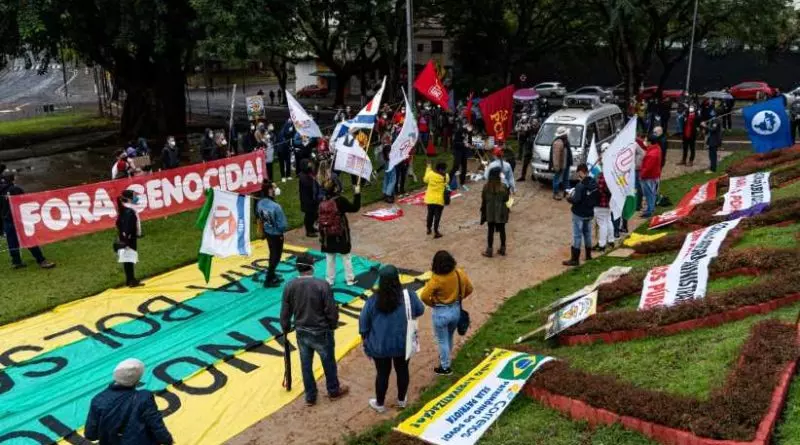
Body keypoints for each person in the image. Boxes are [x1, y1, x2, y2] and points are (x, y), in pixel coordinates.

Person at [281, 252, 350, 406]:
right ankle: (333, 390)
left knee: (306, 365)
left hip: (302, 331)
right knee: (328, 362)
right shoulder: (322, 285)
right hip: (321, 331)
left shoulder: (290, 286)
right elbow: (331, 310)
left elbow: (285, 312)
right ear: (312, 266)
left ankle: (310, 396)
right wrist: (332, 325)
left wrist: (285, 328)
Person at [359, 265, 425, 413]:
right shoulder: (409, 296)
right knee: (402, 370)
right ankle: (401, 400)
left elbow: (363, 325)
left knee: (382, 373)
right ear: (397, 278)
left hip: (380, 346)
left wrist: (366, 341)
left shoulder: (372, 300)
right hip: (403, 343)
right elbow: (420, 310)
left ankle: (380, 403)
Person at [85, 358, 173, 445]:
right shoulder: (144, 397)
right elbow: (156, 426)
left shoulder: (98, 400)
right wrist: (167, 440)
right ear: (137, 380)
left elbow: (90, 435)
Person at [418, 251, 474, 375]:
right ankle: (446, 357)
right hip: (456, 310)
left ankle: (445, 367)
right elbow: (470, 288)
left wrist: (433, 304)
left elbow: (424, 296)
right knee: (449, 336)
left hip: (441, 312)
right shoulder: (459, 273)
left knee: (442, 340)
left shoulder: (436, 279)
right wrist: (459, 298)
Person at [0, 171, 55, 269]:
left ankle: (16, 262)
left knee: (12, 241)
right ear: (13, 179)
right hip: (17, 219)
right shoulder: (16, 189)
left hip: (6, 220)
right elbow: (24, 202)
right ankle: (41, 260)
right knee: (29, 239)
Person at [318, 179, 361, 286]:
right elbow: (355, 208)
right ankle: (350, 279)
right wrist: (357, 194)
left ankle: (329, 280)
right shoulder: (340, 200)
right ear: (335, 188)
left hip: (326, 234)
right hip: (340, 233)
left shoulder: (321, 201)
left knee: (330, 258)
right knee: (346, 257)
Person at [563, 164, 597, 266]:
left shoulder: (580, 186)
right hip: (589, 213)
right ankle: (588, 255)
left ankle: (575, 259)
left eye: (578, 173)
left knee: (577, 235)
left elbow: (576, 200)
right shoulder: (594, 183)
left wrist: (569, 198)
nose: (578, 175)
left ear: (581, 172)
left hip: (579, 213)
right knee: (587, 234)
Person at [256, 181, 287, 287]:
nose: (275, 189)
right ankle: (269, 279)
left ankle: (272, 275)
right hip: (277, 234)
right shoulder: (276, 207)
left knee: (272, 253)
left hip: (268, 232)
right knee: (276, 256)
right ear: (269, 190)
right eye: (273, 188)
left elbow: (259, 216)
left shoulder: (260, 203)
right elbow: (282, 225)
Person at [480, 168, 510, 257]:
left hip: (490, 212)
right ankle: (503, 249)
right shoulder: (504, 187)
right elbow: (507, 199)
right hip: (501, 212)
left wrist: (483, 211)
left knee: (490, 230)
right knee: (502, 230)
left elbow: (483, 199)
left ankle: (489, 250)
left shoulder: (486, 187)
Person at [116, 190, 142, 287]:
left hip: (126, 237)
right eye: (134, 196)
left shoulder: (126, 209)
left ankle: (130, 279)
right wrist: (127, 239)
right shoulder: (129, 211)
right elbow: (128, 226)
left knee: (128, 258)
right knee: (129, 259)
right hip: (129, 238)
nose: (136, 198)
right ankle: (131, 280)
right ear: (129, 199)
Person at [592, 150, 614, 253]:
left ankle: (602, 244)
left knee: (602, 224)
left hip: (601, 202)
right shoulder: (612, 173)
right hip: (609, 202)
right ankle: (611, 240)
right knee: (608, 221)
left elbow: (600, 189)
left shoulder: (603, 175)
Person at [424, 161, 449, 238]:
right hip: (439, 200)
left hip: (430, 199)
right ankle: (436, 231)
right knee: (437, 216)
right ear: (442, 169)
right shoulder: (446, 176)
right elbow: (447, 182)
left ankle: (428, 229)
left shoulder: (431, 174)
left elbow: (425, 180)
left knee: (430, 215)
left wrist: (428, 167)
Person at [640, 139, 663, 217]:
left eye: (646, 140)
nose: (644, 142)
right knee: (652, 194)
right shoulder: (657, 149)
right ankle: (650, 209)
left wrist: (642, 175)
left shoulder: (651, 154)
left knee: (649, 195)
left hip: (648, 177)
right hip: (654, 176)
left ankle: (649, 211)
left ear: (650, 142)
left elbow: (647, 168)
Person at [549, 127, 572, 200]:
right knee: (557, 179)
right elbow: (556, 157)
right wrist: (556, 166)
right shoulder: (558, 142)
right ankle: (555, 193)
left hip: (566, 163)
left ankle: (567, 192)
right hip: (560, 165)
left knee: (566, 179)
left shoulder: (565, 141)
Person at [298, 159, 320, 238]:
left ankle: (312, 228)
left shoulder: (309, 173)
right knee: (309, 215)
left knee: (314, 214)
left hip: (312, 198)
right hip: (307, 199)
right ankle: (309, 231)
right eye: (308, 164)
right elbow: (309, 184)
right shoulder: (303, 176)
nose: (310, 166)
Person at [450, 123, 472, 189]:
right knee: (456, 166)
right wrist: (463, 144)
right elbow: (455, 143)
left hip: (464, 151)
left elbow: (469, 140)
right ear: (466, 125)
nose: (470, 129)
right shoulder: (459, 131)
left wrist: (470, 144)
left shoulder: (469, 132)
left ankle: (462, 182)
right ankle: (448, 181)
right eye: (469, 126)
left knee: (464, 167)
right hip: (458, 151)